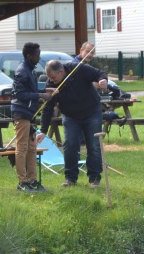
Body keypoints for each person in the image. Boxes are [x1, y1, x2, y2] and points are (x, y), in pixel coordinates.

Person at [40, 59, 108, 188]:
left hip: (92, 112)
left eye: (53, 77)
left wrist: (103, 80)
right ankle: (70, 178)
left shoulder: (79, 69)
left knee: (93, 145)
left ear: (61, 71)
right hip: (71, 116)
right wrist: (43, 130)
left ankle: (94, 179)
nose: (51, 80)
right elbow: (47, 108)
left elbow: (99, 73)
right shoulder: (51, 85)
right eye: (49, 78)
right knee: (70, 144)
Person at [10, 42, 50, 193]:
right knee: (22, 147)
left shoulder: (31, 70)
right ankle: (22, 182)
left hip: (29, 113)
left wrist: (45, 94)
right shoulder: (22, 71)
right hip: (21, 113)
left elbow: (30, 93)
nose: (39, 58)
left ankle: (32, 180)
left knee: (32, 148)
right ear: (29, 56)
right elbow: (19, 94)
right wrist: (40, 95)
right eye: (37, 56)